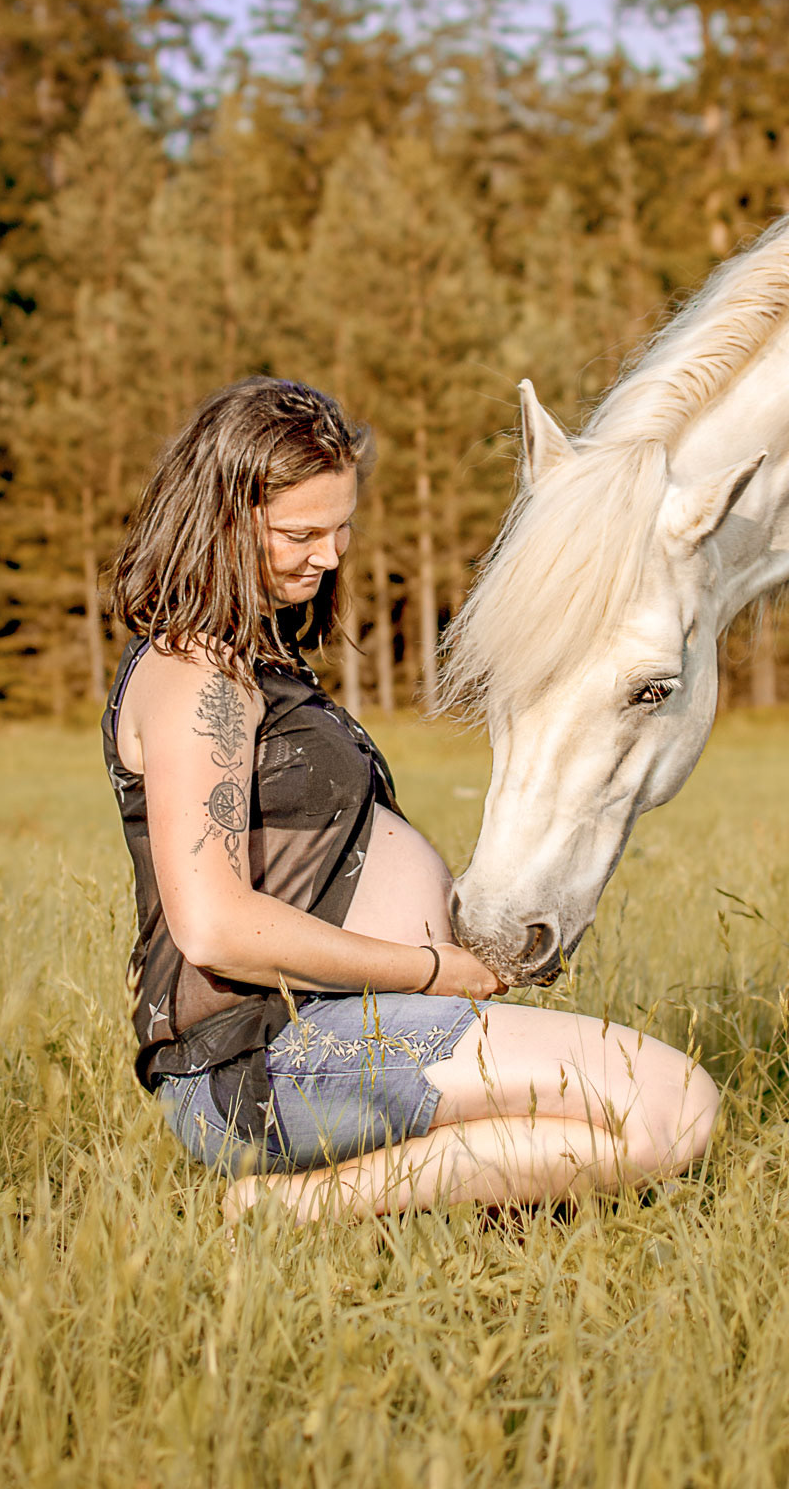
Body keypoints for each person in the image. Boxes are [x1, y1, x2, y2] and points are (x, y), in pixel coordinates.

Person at [103, 377, 718, 1225]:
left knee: (620, 1114)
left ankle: (423, 1216)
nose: (329, 556)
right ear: (221, 521)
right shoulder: (196, 676)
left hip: (335, 1037)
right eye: (299, 534)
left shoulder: (254, 666)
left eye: (341, 528)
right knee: (673, 1106)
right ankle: (288, 1209)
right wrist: (433, 971)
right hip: (266, 1061)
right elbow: (214, 927)